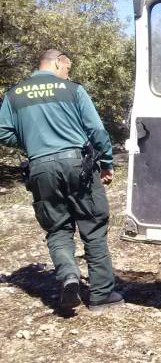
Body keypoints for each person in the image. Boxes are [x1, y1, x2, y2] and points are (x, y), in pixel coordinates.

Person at [0, 49, 123, 312]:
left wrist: (31, 140)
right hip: (76, 163)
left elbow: (2, 132)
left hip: (40, 167)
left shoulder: (14, 95)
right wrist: (107, 162)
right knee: (93, 226)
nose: (68, 73)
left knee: (57, 229)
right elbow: (96, 130)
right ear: (57, 62)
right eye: (68, 67)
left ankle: (68, 274)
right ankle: (101, 295)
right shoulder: (72, 90)